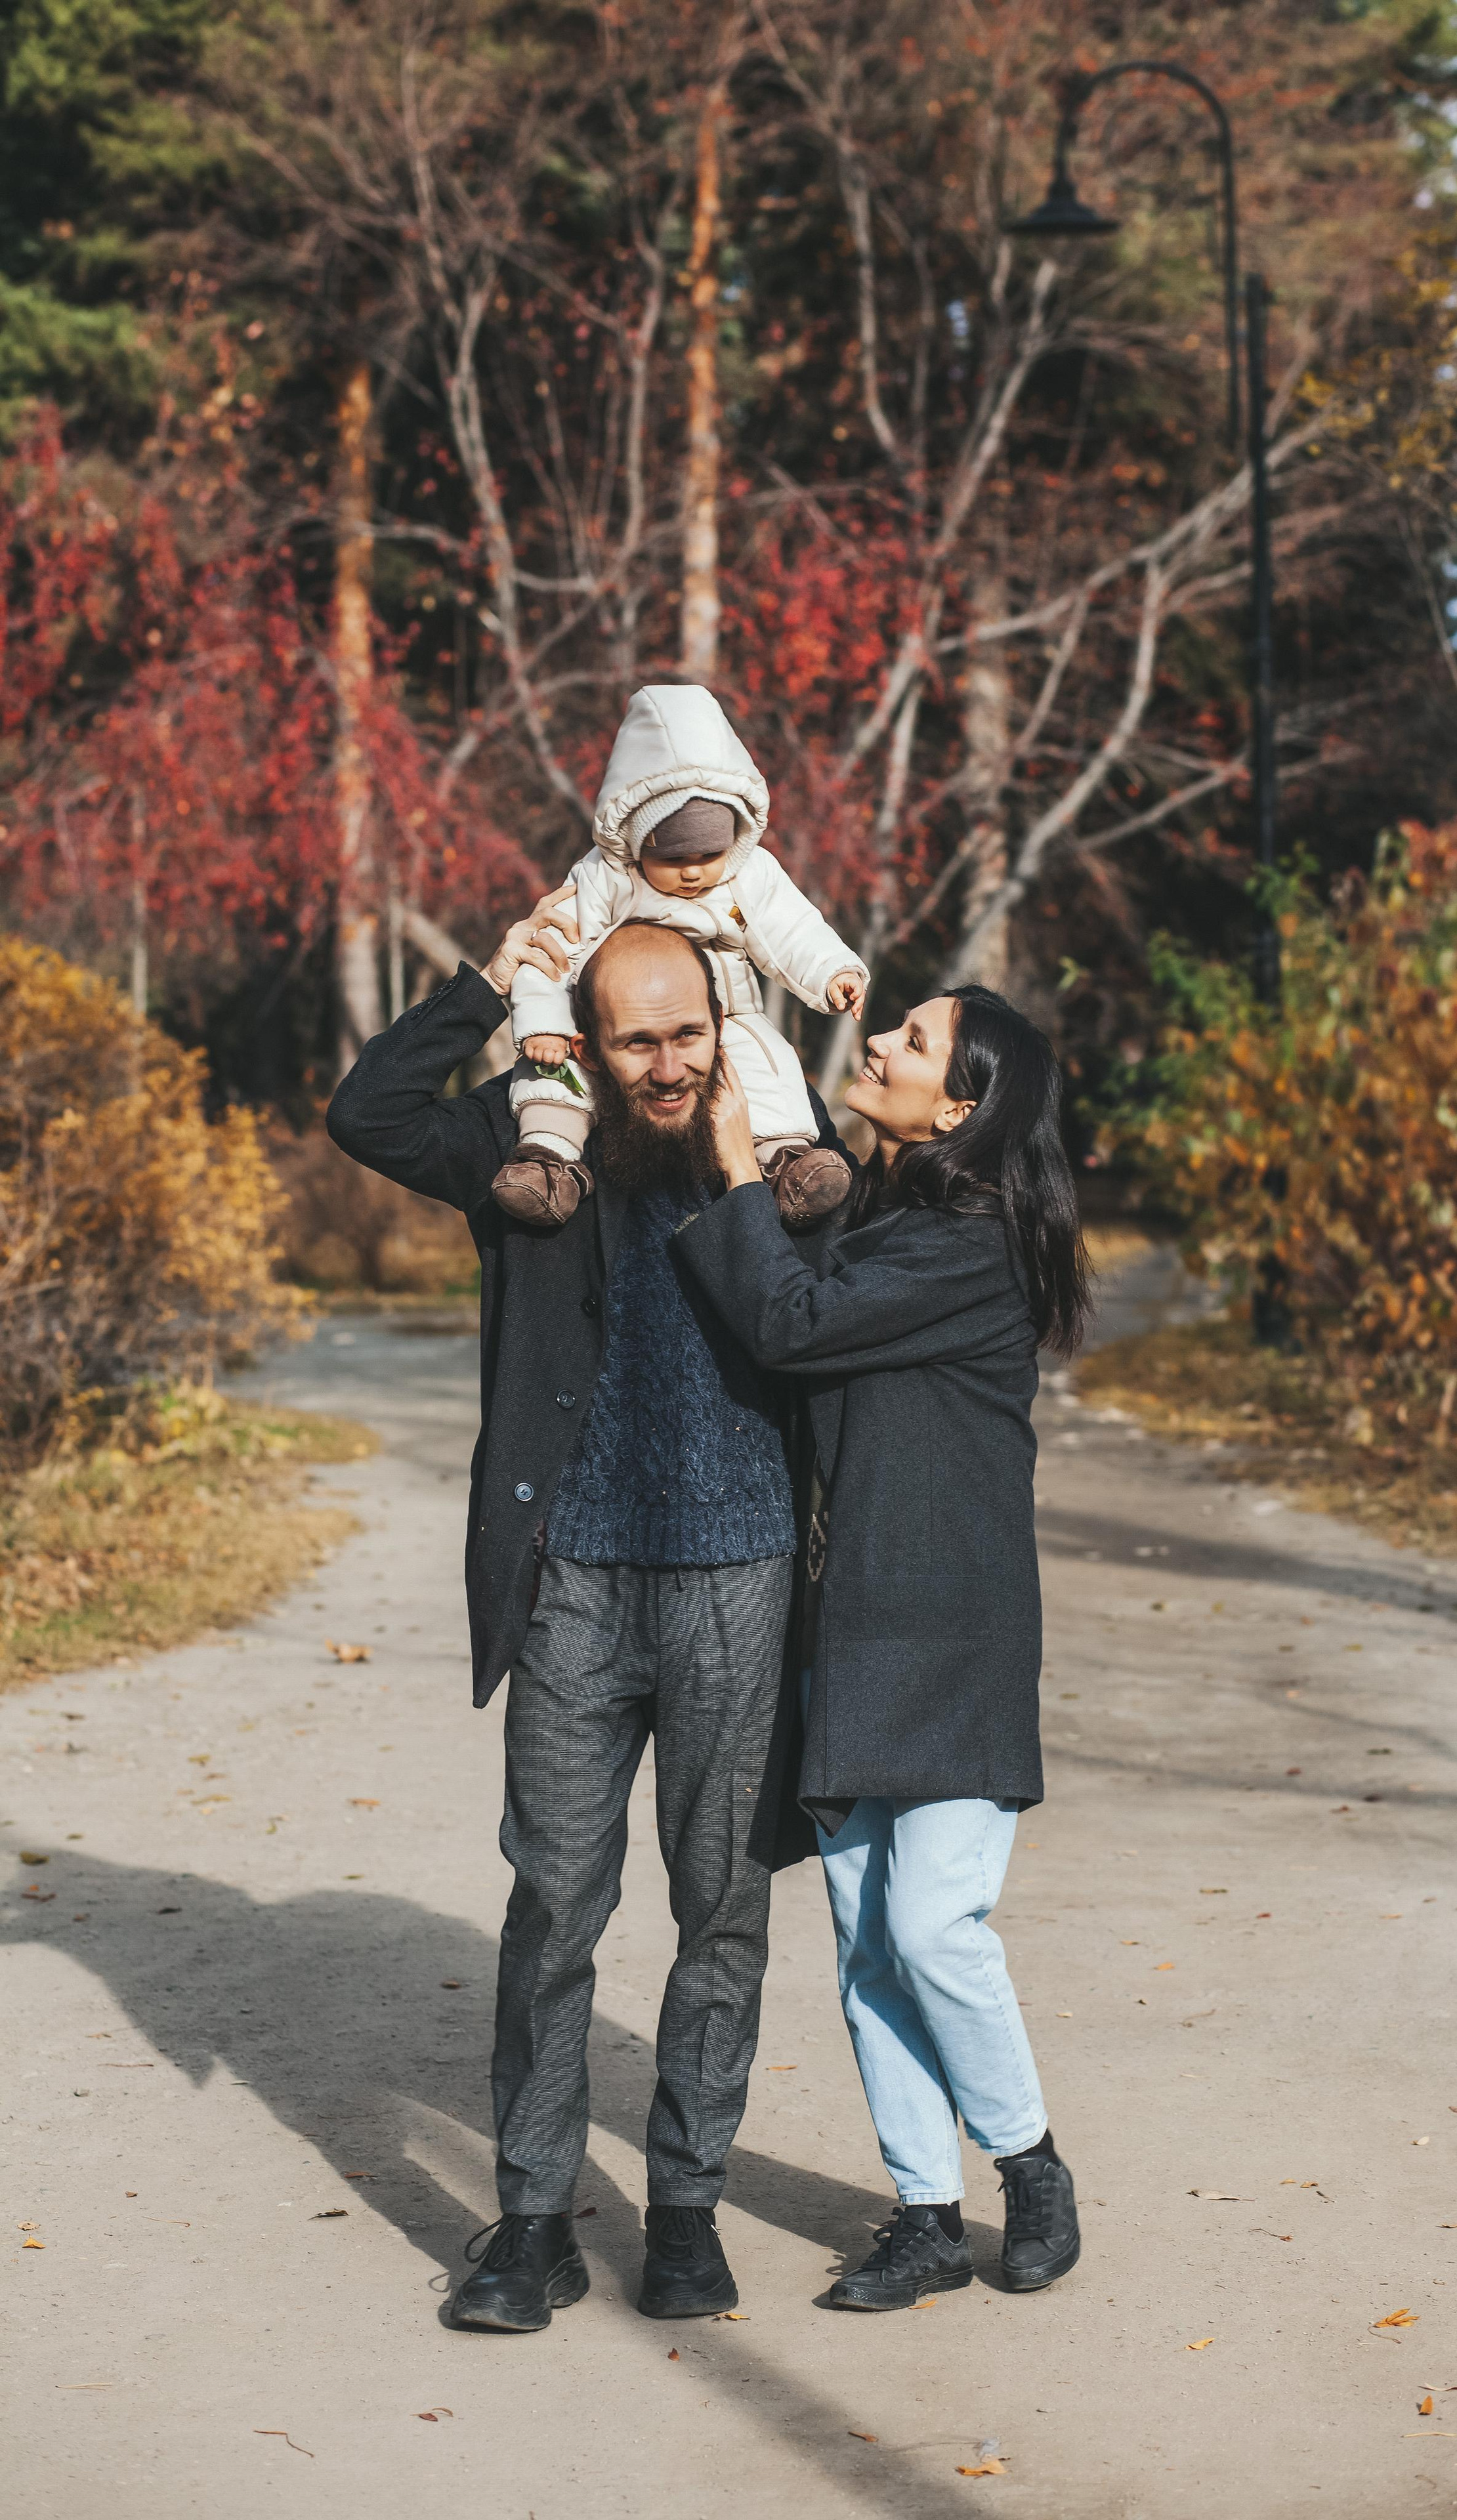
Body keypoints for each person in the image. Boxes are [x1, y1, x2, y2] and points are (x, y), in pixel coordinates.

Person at [326, 912, 834, 2333]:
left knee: (719, 1909)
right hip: (573, 1582)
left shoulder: (773, 1142)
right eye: (637, 1040)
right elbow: (364, 1111)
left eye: (688, 1033)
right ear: (587, 1044)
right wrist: (495, 982)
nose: (668, 1066)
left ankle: (685, 2210)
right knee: (553, 1900)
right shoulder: (524, 1138)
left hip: (737, 1572)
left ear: (720, 1022)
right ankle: (532, 2222)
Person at [675, 985, 1092, 2311]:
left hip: (955, 1625)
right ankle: (922, 2212)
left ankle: (1026, 2163)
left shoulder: (972, 1242)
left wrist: (736, 1166)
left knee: (932, 1921)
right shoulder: (889, 1211)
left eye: (911, 1042)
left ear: (959, 1106)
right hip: (848, 1617)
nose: (882, 1046)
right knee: (865, 1935)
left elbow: (788, 1321)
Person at [495, 683, 864, 1230]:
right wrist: (542, 1023)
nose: (693, 873)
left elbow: (794, 929)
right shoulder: (602, 878)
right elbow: (553, 949)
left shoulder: (750, 875)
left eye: (709, 855)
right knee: (557, 1068)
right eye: (673, 858)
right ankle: (548, 1160)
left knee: (767, 1064)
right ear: (638, 842)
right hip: (608, 1020)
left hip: (725, 1013)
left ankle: (785, 1160)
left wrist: (834, 971)